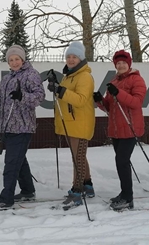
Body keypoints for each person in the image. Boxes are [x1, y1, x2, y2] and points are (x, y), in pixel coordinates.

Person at [0, 45, 45, 210]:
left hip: (22, 126)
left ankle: (6, 199)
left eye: (16, 59)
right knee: (19, 160)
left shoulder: (31, 74)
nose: (14, 62)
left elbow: (39, 96)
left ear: (22, 59)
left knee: (11, 163)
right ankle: (27, 191)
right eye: (11, 60)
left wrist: (22, 96)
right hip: (7, 126)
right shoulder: (7, 79)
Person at [94, 50, 146, 211]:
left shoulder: (137, 79)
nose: (121, 65)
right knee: (121, 162)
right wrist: (99, 101)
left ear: (129, 64)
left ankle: (128, 197)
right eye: (118, 63)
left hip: (130, 128)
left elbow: (136, 102)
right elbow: (110, 108)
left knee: (122, 161)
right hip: (116, 129)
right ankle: (124, 192)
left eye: (123, 63)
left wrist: (120, 93)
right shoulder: (114, 82)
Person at [47, 41, 96, 209]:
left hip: (80, 123)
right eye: (68, 57)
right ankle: (87, 184)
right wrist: (56, 86)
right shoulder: (70, 76)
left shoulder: (84, 76)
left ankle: (77, 189)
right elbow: (66, 96)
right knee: (79, 155)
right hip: (72, 122)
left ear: (81, 58)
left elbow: (80, 100)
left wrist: (60, 91)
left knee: (78, 157)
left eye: (74, 57)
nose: (71, 59)